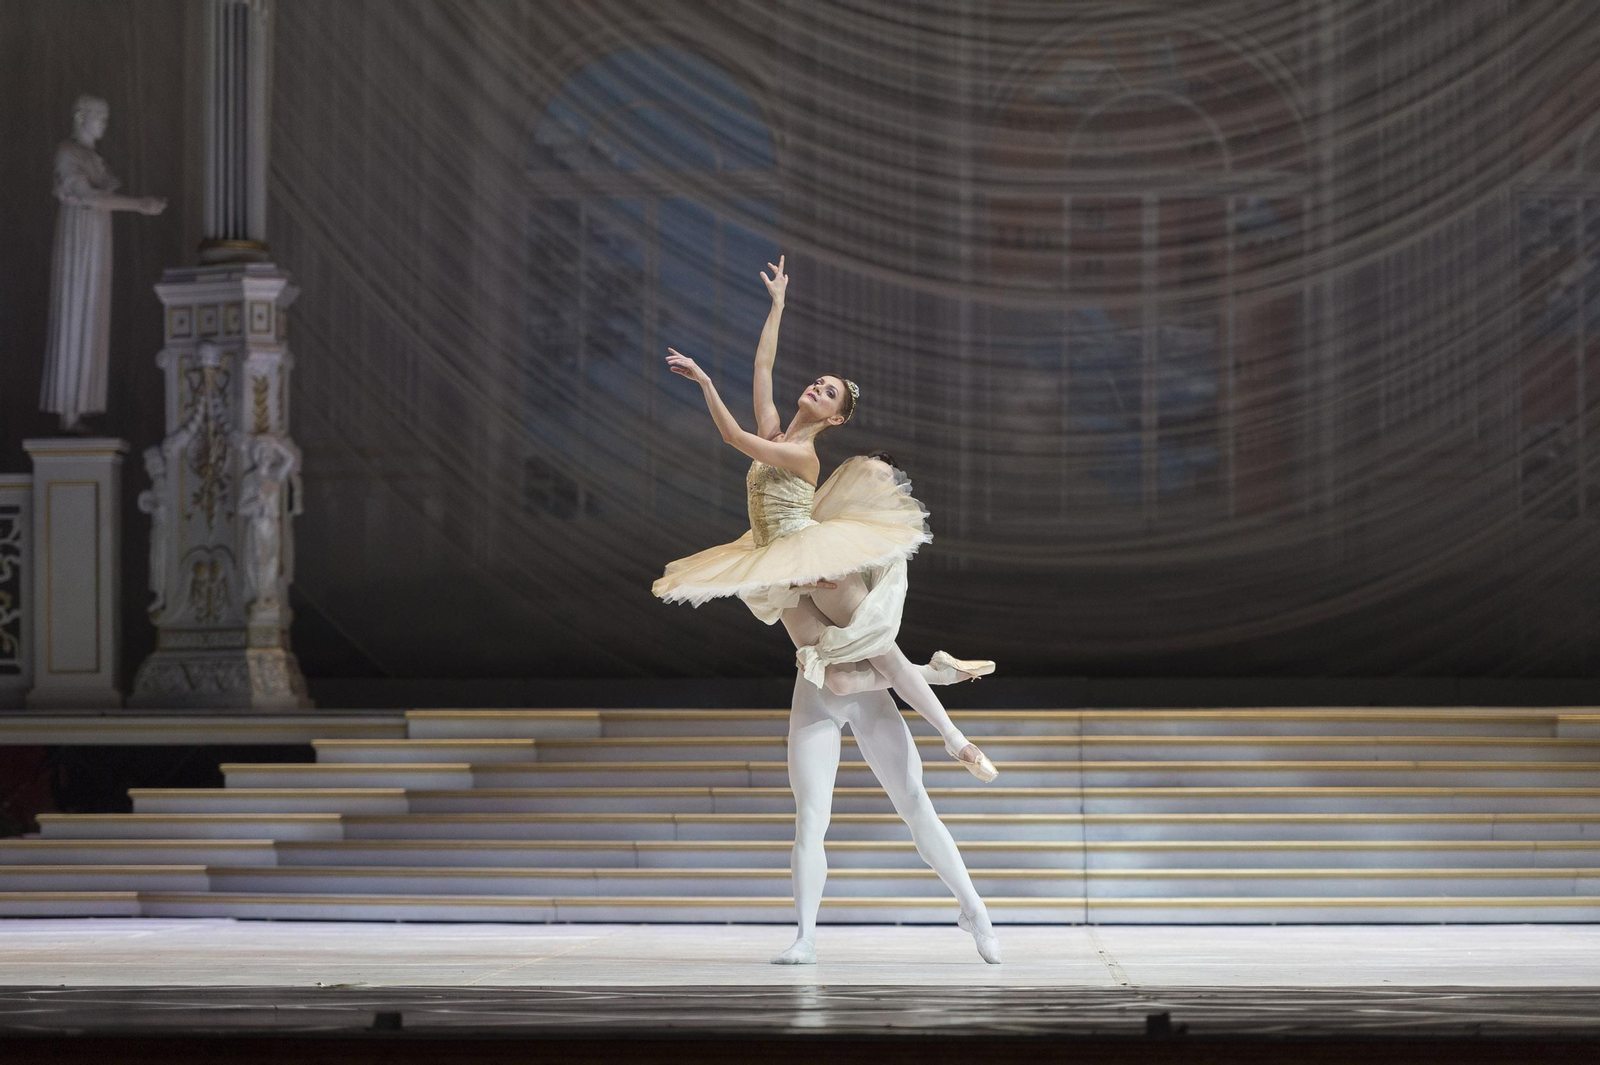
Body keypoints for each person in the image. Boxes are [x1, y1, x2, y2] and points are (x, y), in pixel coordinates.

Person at [652, 255, 997, 781]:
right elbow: (763, 368)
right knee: (834, 681)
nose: (816, 386)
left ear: (834, 418)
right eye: (818, 381)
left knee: (880, 654)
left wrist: (703, 381)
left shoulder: (802, 456)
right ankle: (938, 672)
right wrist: (778, 306)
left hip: (812, 555)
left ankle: (956, 740)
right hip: (776, 564)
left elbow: (731, 438)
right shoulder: (775, 432)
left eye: (828, 392)